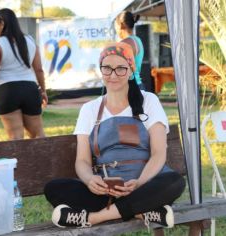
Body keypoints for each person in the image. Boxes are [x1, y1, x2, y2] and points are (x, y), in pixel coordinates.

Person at [44, 42, 185, 230]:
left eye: (120, 69)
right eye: (107, 68)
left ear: (130, 70)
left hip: (144, 184)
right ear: (100, 70)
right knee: (54, 188)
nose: (113, 75)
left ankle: (94, 218)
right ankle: (143, 211)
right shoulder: (89, 109)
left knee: (175, 182)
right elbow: (82, 161)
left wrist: (138, 183)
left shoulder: (149, 101)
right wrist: (89, 180)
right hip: (106, 191)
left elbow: (159, 153)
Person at [0, 8, 48, 140]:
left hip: (6, 91)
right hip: (30, 89)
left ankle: (19, 161)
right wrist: (43, 91)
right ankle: (44, 160)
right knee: (38, 135)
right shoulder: (30, 41)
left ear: (1, 23)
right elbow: (39, 70)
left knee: (15, 137)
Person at [115, 11, 145, 90]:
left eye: (116, 26)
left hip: (129, 88)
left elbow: (117, 68)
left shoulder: (124, 43)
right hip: (138, 85)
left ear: (121, 25)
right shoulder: (137, 40)